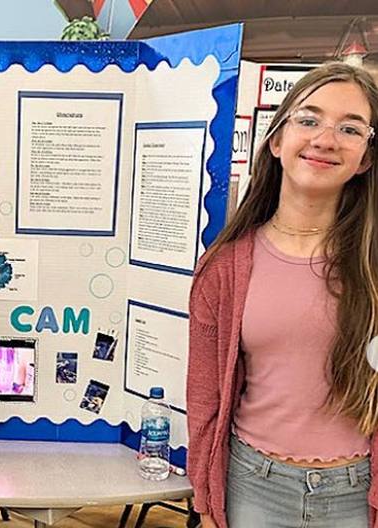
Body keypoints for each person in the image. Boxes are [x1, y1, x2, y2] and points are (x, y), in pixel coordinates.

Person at [187, 62, 378, 528]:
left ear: (366, 158)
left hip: (356, 491)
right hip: (254, 484)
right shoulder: (224, 269)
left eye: (350, 128)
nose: (325, 139)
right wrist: (206, 500)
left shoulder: (372, 265)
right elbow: (204, 400)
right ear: (276, 140)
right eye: (308, 119)